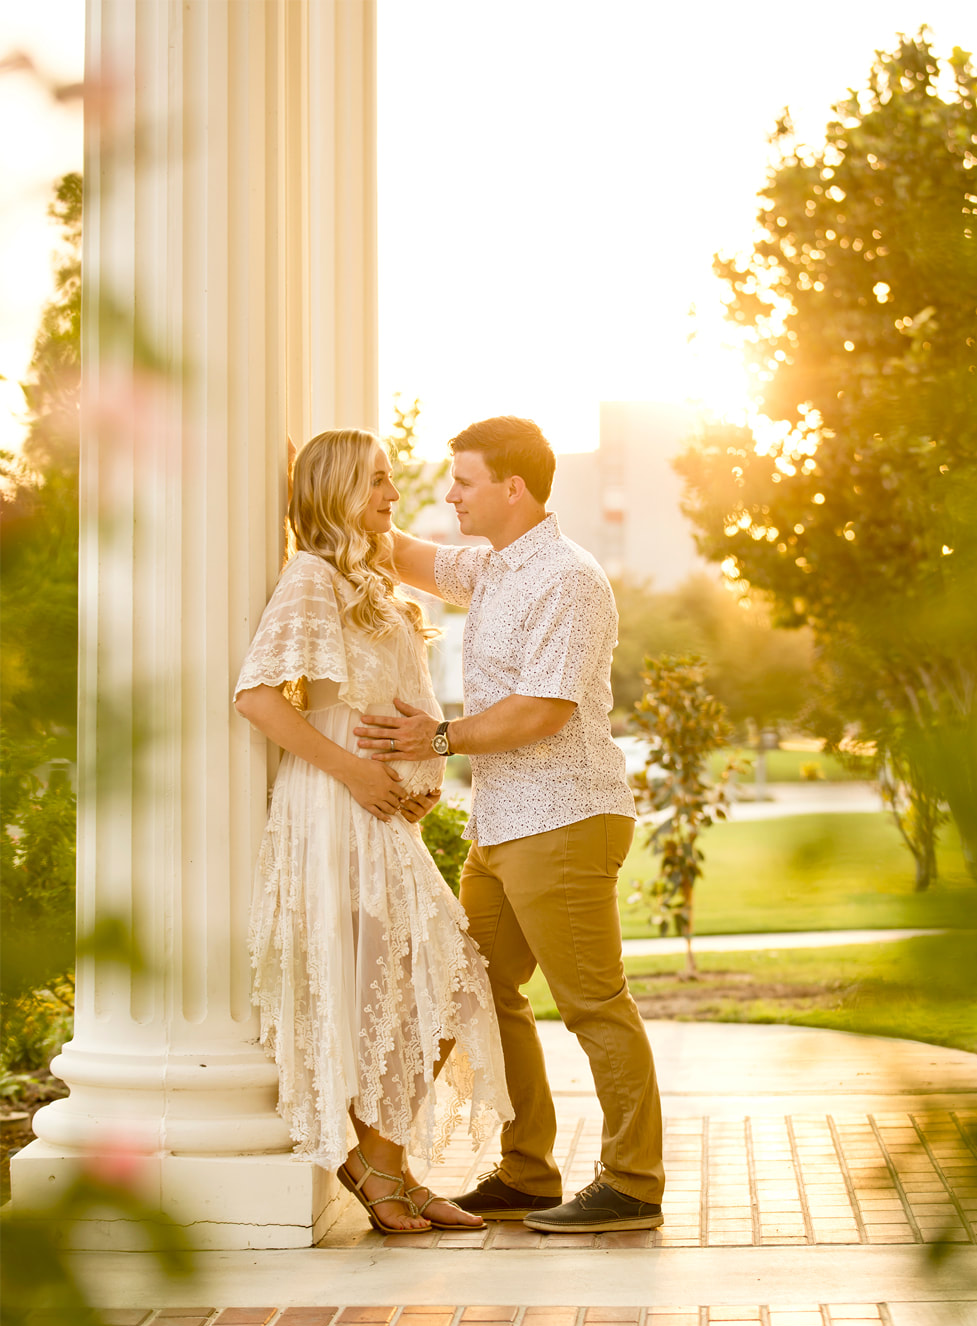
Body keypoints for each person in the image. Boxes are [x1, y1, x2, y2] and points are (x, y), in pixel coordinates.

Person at [352, 415, 665, 1233]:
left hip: (564, 818)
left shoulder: (566, 577)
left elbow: (544, 708)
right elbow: (397, 554)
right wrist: (317, 478)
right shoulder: (492, 569)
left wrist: (440, 736)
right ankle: (528, 1172)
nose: (447, 495)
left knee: (594, 1002)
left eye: (462, 481)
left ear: (512, 488)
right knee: (481, 990)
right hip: (505, 825)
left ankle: (633, 1181)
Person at [234, 429, 511, 1234]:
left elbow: (394, 703)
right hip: (331, 804)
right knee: (409, 977)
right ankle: (376, 1166)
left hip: (382, 812)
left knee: (432, 979)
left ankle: (384, 1165)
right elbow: (258, 696)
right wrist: (356, 772)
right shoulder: (311, 575)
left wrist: (418, 783)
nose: (394, 495)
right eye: (378, 482)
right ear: (336, 494)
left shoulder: (376, 580)